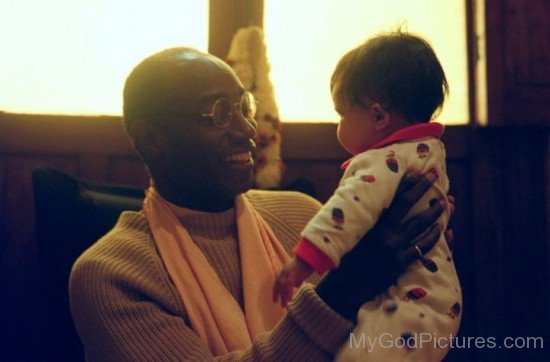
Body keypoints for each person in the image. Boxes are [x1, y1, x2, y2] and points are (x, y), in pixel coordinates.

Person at [69, 46, 447, 361]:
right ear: (152, 139)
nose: (247, 130)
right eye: (219, 113)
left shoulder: (303, 213)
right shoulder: (109, 275)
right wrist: (344, 289)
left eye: (243, 107)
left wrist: (419, 248)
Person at [273, 31, 461, 361]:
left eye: (341, 113)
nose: (339, 124)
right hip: (439, 298)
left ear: (377, 116)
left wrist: (304, 260)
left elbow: (349, 209)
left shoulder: (382, 161)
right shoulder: (429, 152)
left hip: (404, 301)